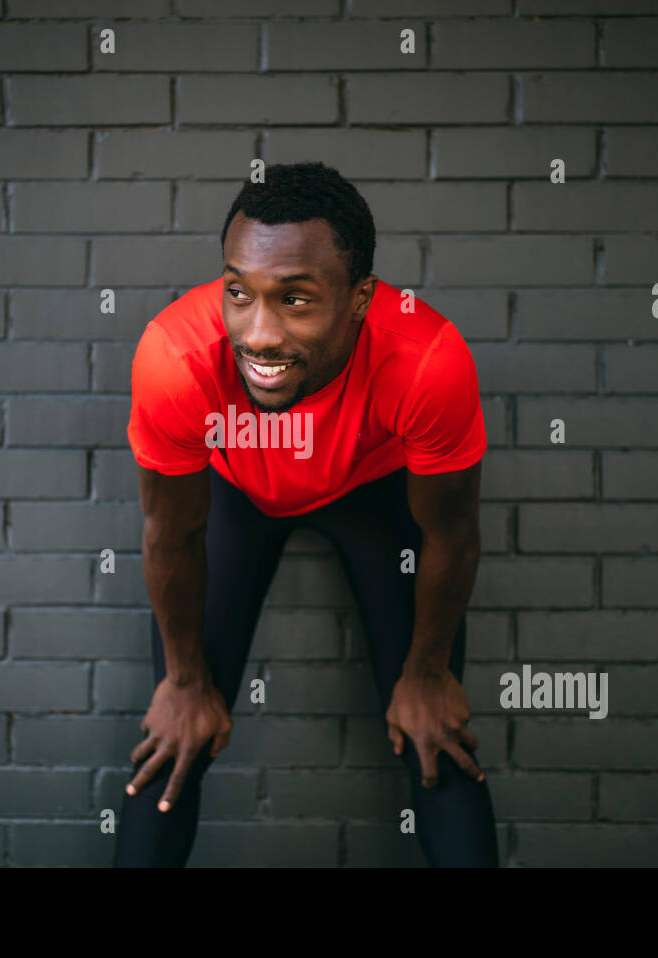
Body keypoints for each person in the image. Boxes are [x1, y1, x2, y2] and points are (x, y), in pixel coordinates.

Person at [115, 161, 498, 867]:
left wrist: (425, 672)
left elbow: (451, 533)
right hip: (237, 492)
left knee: (433, 734)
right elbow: (171, 532)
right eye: (240, 292)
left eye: (295, 300)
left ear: (360, 299)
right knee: (176, 737)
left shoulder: (426, 361)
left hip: (371, 492)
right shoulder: (175, 356)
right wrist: (185, 679)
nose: (258, 334)